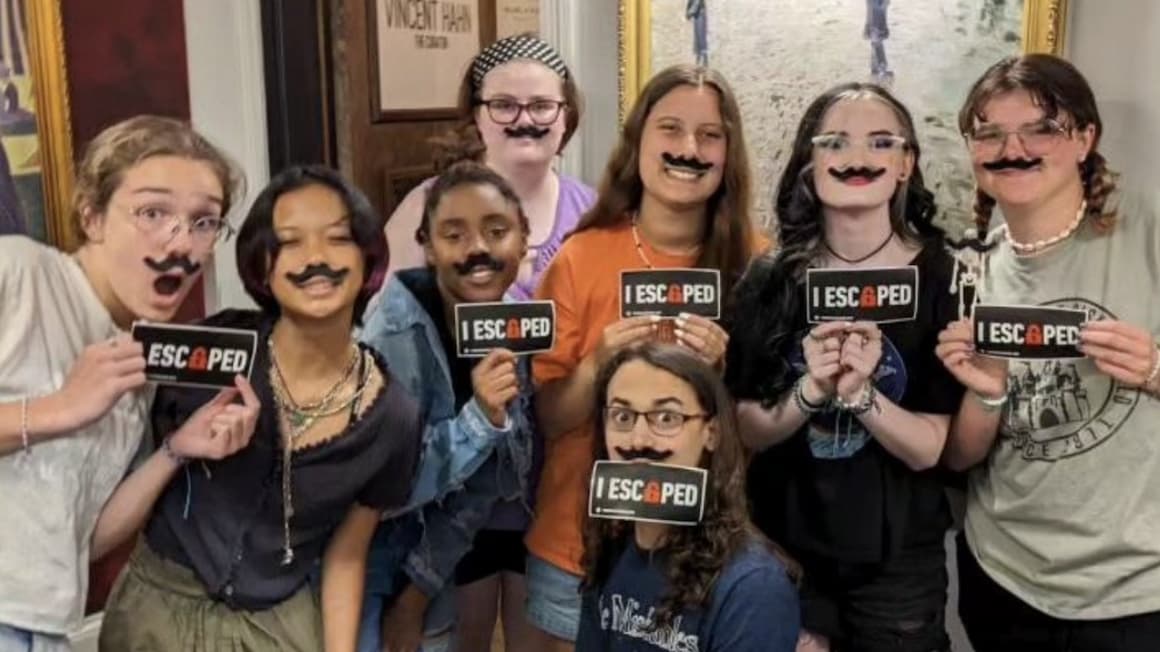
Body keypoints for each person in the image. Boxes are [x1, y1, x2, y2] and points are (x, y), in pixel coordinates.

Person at [97, 165, 423, 651]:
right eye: (289, 242)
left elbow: (348, 555)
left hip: (276, 627)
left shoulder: (392, 415)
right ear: (263, 267)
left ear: (366, 258)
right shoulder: (209, 352)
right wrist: (178, 447)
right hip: (155, 614)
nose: (315, 258)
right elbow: (104, 494)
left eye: (337, 238)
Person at [532, 63, 766, 650]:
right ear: (638, 141)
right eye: (671, 129)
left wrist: (720, 377)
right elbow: (546, 418)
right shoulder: (580, 257)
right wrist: (598, 363)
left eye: (710, 135)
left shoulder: (758, 263)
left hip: (706, 560)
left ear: (728, 153)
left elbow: (765, 433)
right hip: (578, 548)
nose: (690, 148)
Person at [726, 82, 964, 652]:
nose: (857, 159)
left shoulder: (943, 279)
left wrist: (863, 397)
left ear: (907, 163)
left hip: (897, 564)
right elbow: (748, 425)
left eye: (881, 143)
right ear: (810, 163)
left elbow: (933, 445)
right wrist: (810, 391)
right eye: (835, 143)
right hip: (784, 549)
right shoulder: (770, 279)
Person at [935, 54, 1160, 652]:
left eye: (1041, 128)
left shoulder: (1146, 225)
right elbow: (962, 459)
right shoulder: (972, 267)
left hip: (1136, 591)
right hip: (1004, 579)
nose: (1014, 147)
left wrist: (1156, 368)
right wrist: (985, 390)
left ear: (1085, 138)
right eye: (990, 132)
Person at [0, 115, 244, 651]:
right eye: (152, 212)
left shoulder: (138, 361)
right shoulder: (19, 272)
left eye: (205, 222)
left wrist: (177, 450)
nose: (180, 242)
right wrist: (58, 408)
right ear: (92, 217)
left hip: (46, 627)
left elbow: (84, 538)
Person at [358, 161, 546, 651]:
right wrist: (406, 603)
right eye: (454, 234)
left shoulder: (516, 328)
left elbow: (483, 481)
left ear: (525, 241)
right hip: (373, 568)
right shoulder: (393, 334)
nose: (478, 249)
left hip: (438, 567)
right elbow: (385, 488)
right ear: (427, 246)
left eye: (497, 230)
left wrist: (417, 598)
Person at [576, 343, 800, 651]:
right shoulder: (611, 549)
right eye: (623, 416)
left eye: (667, 418)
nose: (638, 439)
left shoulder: (754, 585)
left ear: (712, 432)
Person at [384, 33, 595, 302]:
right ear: (476, 116)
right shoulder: (425, 206)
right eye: (504, 105)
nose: (524, 120)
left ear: (567, 116)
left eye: (542, 106)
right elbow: (385, 323)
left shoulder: (592, 211)